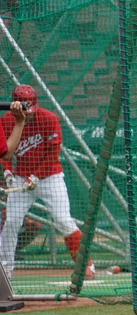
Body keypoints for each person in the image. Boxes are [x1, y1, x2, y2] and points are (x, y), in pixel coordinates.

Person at [0, 85, 96, 280]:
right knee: (11, 222)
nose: (28, 116)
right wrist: (8, 173)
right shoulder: (7, 120)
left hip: (50, 176)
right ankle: (5, 272)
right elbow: (5, 152)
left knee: (62, 219)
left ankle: (85, 266)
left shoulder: (48, 118)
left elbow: (53, 154)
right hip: (21, 178)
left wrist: (35, 177)